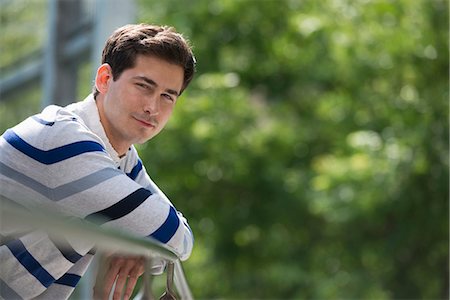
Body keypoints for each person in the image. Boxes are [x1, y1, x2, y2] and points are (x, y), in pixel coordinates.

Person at [0, 23, 196, 299]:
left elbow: (180, 236)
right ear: (104, 79)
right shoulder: (65, 140)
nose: (153, 106)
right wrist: (132, 235)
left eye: (167, 96)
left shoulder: (121, 157)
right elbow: (172, 234)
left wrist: (138, 244)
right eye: (143, 86)